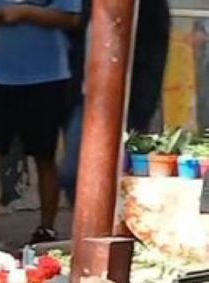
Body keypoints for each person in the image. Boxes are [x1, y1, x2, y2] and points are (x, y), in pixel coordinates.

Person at [0, 0, 82, 257]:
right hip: (1, 76)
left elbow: (72, 19)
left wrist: (27, 12)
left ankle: (47, 228)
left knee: (44, 154)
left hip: (48, 78)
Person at [60, 0, 171, 207]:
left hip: (128, 103)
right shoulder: (86, 4)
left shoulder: (147, 6)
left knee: (118, 173)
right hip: (85, 99)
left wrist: (143, 106)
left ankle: (112, 227)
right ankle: (87, 225)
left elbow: (154, 54)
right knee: (72, 175)